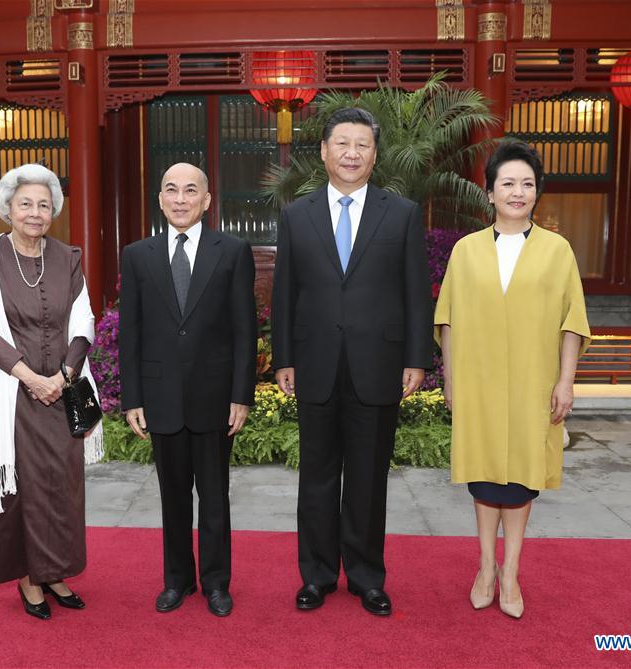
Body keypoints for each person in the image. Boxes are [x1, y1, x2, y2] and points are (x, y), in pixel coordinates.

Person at [271, 108, 433, 616]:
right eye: (342, 143)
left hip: (378, 364)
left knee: (367, 478)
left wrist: (415, 357)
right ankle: (316, 576)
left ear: (374, 155)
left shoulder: (401, 213)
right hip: (315, 363)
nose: (351, 154)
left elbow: (414, 292)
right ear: (323, 151)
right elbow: (284, 294)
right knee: (316, 477)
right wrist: (284, 358)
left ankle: (366, 577)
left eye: (362, 145)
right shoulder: (297, 215)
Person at [434, 140, 591, 619]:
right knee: (484, 479)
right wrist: (452, 383)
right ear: (490, 192)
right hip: (478, 382)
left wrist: (565, 381)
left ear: (537, 192)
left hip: (532, 383)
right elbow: (448, 322)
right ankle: (485, 567)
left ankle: (511, 573)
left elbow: (572, 322)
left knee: (521, 481)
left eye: (527, 183)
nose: (517, 192)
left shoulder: (556, 250)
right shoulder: (466, 251)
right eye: (508, 183)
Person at [0, 163, 103, 621]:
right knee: (22, 488)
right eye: (25, 203)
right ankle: (29, 578)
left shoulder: (68, 257)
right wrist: (30, 377)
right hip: (13, 392)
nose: (35, 212)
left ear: (54, 211)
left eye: (44, 205)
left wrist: (64, 375)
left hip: (61, 392)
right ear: (7, 207)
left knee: (62, 487)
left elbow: (84, 321)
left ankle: (55, 570)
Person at [119, 162, 256, 617]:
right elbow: (131, 333)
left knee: (214, 496)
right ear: (160, 199)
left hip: (215, 398)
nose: (181, 199)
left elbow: (244, 330)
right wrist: (133, 398)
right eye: (171, 190)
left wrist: (241, 395)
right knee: (172, 496)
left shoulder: (233, 251)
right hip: (161, 398)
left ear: (207, 200)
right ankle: (176, 580)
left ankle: (217, 583)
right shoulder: (137, 255)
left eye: (190, 190)